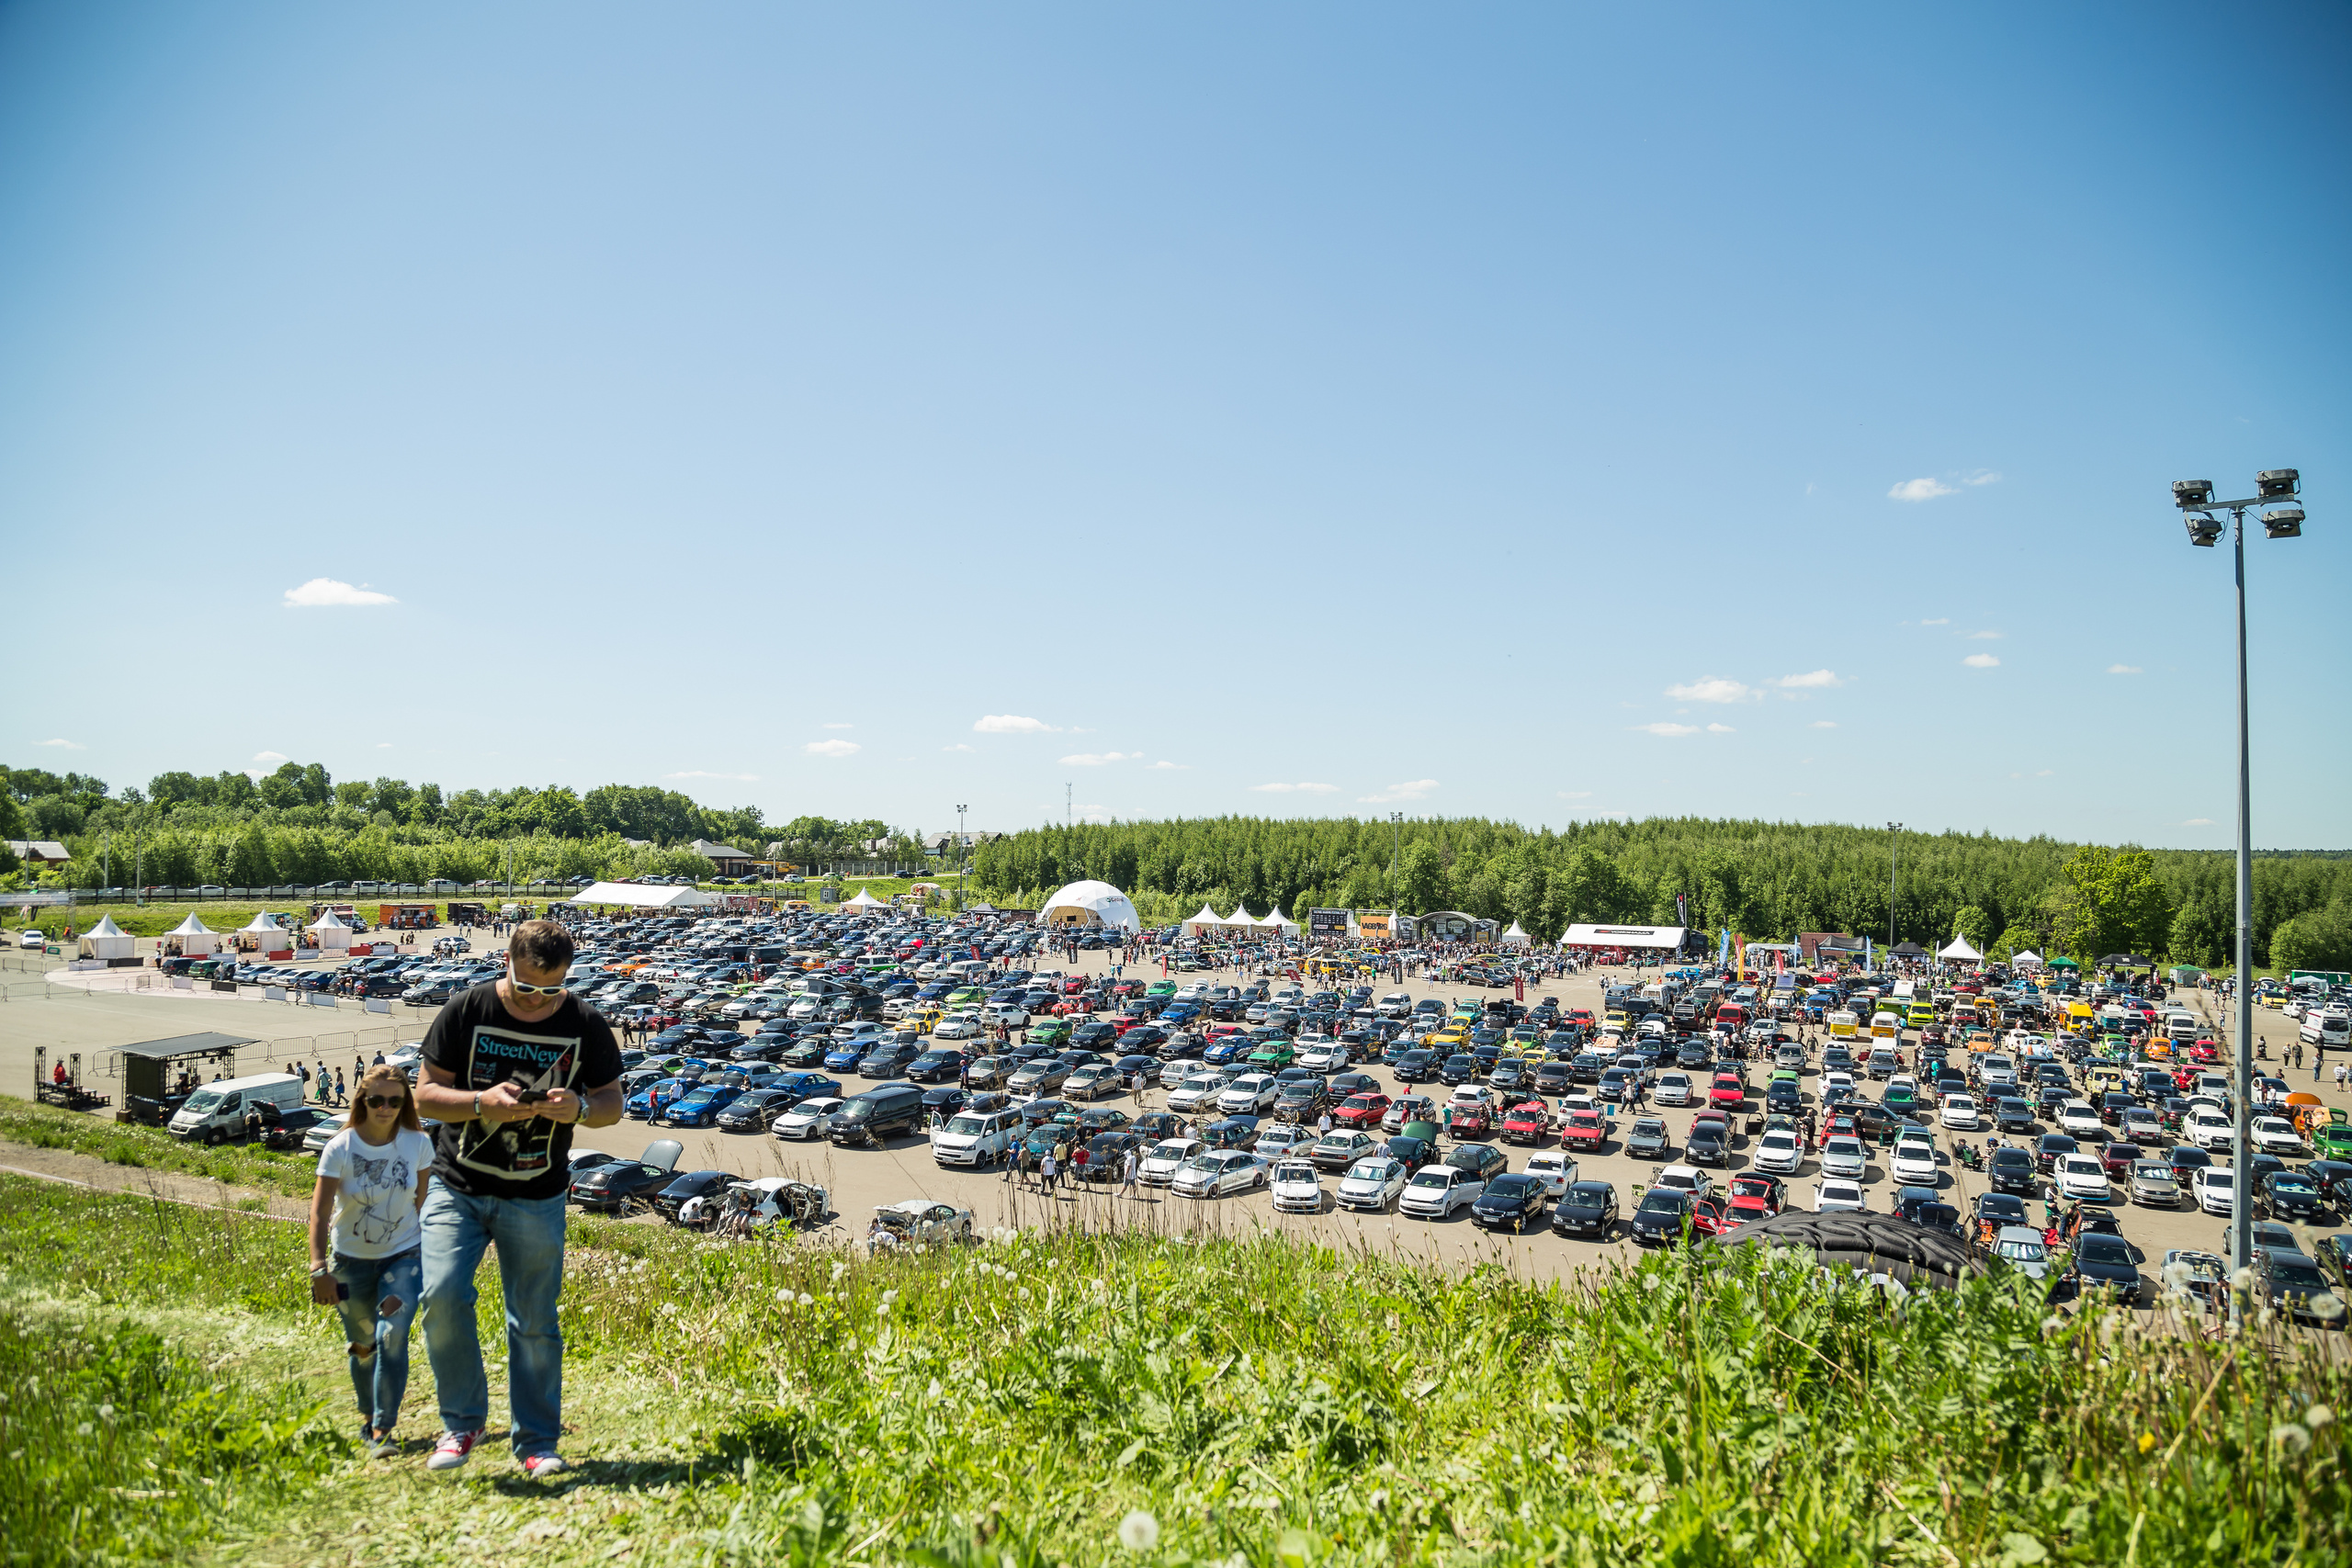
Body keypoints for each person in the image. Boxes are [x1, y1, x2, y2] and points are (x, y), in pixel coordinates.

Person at [412, 919, 623, 1477]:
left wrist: (577, 1109)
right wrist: (481, 1102)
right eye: (526, 987)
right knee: (440, 1296)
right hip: (458, 1184)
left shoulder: (586, 1024)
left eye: (551, 991)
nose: (536, 1002)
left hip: (537, 1195)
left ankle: (535, 1442)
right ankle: (463, 1423)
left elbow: (611, 1103)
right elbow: (425, 1097)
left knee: (533, 1320)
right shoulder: (465, 1009)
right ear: (506, 962)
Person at [309, 1066, 435, 1459]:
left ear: (405, 1104)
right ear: (362, 1101)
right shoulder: (341, 1148)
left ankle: (383, 1428)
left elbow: (423, 1202)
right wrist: (318, 1269)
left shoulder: (418, 1144)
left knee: (391, 1334)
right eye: (376, 1100)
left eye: (395, 1101)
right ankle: (368, 1418)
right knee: (364, 1346)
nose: (385, 1108)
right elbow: (320, 1211)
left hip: (403, 1257)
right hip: (350, 1262)